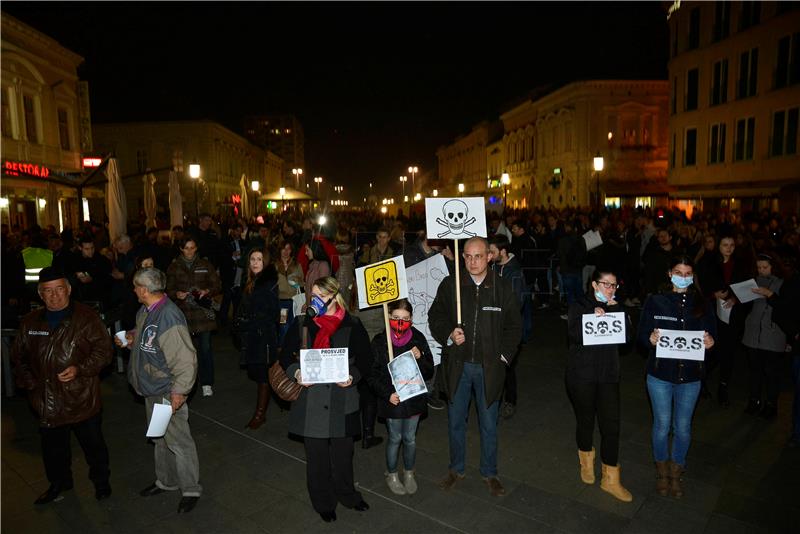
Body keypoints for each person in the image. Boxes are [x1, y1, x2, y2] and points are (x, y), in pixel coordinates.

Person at [11, 266, 113, 504]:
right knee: (53, 451)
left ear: (68, 289)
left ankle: (101, 482)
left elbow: (104, 351)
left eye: (59, 289)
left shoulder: (86, 318)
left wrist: (80, 369)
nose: (55, 296)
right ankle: (59, 483)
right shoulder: (29, 322)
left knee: (94, 446)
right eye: (48, 291)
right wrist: (31, 385)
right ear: (40, 294)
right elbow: (19, 357)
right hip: (47, 400)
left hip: (81, 397)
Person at [429, 237, 522, 497]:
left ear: (489, 257)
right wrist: (449, 334)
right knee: (455, 421)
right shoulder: (452, 285)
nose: (472, 261)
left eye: (478, 256)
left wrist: (503, 357)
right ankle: (456, 468)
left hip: (489, 368)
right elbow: (435, 315)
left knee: (489, 424)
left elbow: (515, 326)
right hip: (458, 367)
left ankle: (489, 472)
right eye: (468, 256)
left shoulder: (501, 288)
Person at [279, 276, 372, 522]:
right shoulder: (303, 324)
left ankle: (348, 495)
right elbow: (285, 356)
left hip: (343, 400)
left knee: (343, 456)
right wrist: (296, 372)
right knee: (317, 458)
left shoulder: (352, 324)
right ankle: (323, 502)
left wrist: (353, 376)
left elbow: (366, 358)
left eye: (321, 296)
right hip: (312, 403)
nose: (316, 301)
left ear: (333, 296)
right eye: (313, 296)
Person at [119, 267, 202, 514]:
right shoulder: (147, 310)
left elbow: (186, 360)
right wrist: (132, 337)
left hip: (166, 390)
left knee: (178, 441)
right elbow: (149, 337)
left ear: (144, 290)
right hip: (152, 388)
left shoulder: (168, 316)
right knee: (159, 437)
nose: (133, 290)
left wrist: (178, 392)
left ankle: (190, 488)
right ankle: (166, 481)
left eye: (136, 286)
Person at [637, 256, 716, 499]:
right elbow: (641, 335)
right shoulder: (655, 301)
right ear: (670, 273)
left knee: (682, 427)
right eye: (679, 272)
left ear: (693, 276)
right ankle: (661, 470)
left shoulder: (702, 303)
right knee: (661, 426)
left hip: (690, 376)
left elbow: (712, 335)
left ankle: (676, 469)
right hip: (660, 374)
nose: (683, 277)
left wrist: (711, 342)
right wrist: (648, 340)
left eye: (688, 273)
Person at [566, 269, 633, 502]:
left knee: (611, 426)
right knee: (585, 421)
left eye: (614, 285)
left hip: (608, 376)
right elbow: (573, 334)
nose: (611, 289)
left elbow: (628, 341)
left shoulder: (618, 307)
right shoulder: (579, 304)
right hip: (582, 375)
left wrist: (617, 311)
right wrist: (590, 317)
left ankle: (611, 478)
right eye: (606, 284)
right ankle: (586, 463)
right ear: (594, 284)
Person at [367, 299, 434, 495]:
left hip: (414, 398)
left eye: (405, 319)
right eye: (396, 318)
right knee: (395, 437)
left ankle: (409, 472)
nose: (400, 322)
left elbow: (430, 372)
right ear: (388, 317)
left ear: (411, 319)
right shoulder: (380, 342)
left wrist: (421, 357)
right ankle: (392, 473)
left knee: (410, 438)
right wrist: (387, 394)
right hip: (393, 400)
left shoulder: (418, 339)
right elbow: (372, 375)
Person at [166, 238, 222, 397]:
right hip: (182, 314)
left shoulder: (205, 264)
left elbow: (217, 284)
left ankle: (207, 383)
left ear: (197, 248)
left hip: (203, 312)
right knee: (185, 352)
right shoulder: (174, 267)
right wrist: (176, 294)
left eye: (193, 248)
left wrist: (207, 291)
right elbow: (168, 289)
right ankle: (186, 385)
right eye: (187, 248)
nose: (190, 251)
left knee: (205, 349)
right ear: (181, 249)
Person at [235, 247, 280, 429]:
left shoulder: (267, 284)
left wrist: (248, 323)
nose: (255, 262)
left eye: (259, 259)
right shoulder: (253, 281)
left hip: (262, 337)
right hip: (253, 335)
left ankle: (260, 415)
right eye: (252, 259)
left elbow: (272, 313)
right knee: (259, 374)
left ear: (265, 262)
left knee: (263, 376)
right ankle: (261, 413)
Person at [742, 254, 786, 419]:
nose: (761, 270)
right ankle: (754, 401)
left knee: (771, 372)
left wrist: (769, 294)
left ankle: (771, 404)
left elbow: (785, 306)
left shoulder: (782, 282)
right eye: (759, 267)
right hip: (753, 332)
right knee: (755, 371)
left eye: (765, 267)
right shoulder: (754, 281)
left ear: (773, 266)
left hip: (773, 333)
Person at [489, 236, 525, 420]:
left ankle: (510, 401)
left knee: (508, 367)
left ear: (502, 252)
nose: (489, 255)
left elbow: (517, 302)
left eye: (492, 252)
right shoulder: (493, 267)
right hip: (493, 325)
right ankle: (494, 401)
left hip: (507, 327)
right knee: (493, 366)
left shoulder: (515, 272)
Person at [275, 241, 305, 344]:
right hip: (282, 301)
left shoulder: (297, 265)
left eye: (289, 249)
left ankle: (291, 348)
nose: (286, 251)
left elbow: (302, 282)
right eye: (284, 248)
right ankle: (283, 347)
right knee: (283, 325)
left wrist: (296, 283)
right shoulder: (275, 265)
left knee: (293, 325)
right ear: (280, 250)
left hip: (294, 301)